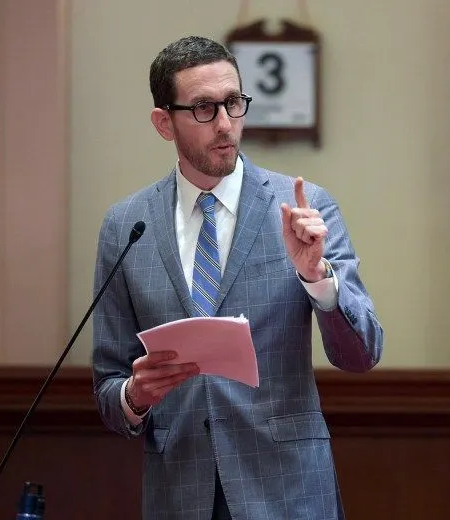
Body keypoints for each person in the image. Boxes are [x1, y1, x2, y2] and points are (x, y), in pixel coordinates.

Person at [91, 35, 384, 520]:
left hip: (287, 490)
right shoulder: (126, 227)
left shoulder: (302, 208)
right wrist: (133, 397)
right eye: (204, 108)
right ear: (164, 123)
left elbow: (361, 353)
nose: (226, 124)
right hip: (180, 491)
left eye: (234, 103)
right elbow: (109, 386)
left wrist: (318, 279)